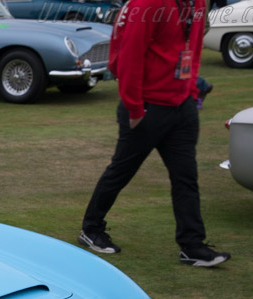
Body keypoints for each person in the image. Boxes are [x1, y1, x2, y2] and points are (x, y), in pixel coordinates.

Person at [79, 0, 230, 267]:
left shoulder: (196, 4)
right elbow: (129, 56)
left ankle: (192, 246)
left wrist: (191, 92)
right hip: (147, 108)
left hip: (180, 106)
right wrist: (135, 108)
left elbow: (193, 50)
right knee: (121, 171)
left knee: (186, 177)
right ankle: (91, 229)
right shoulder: (149, 3)